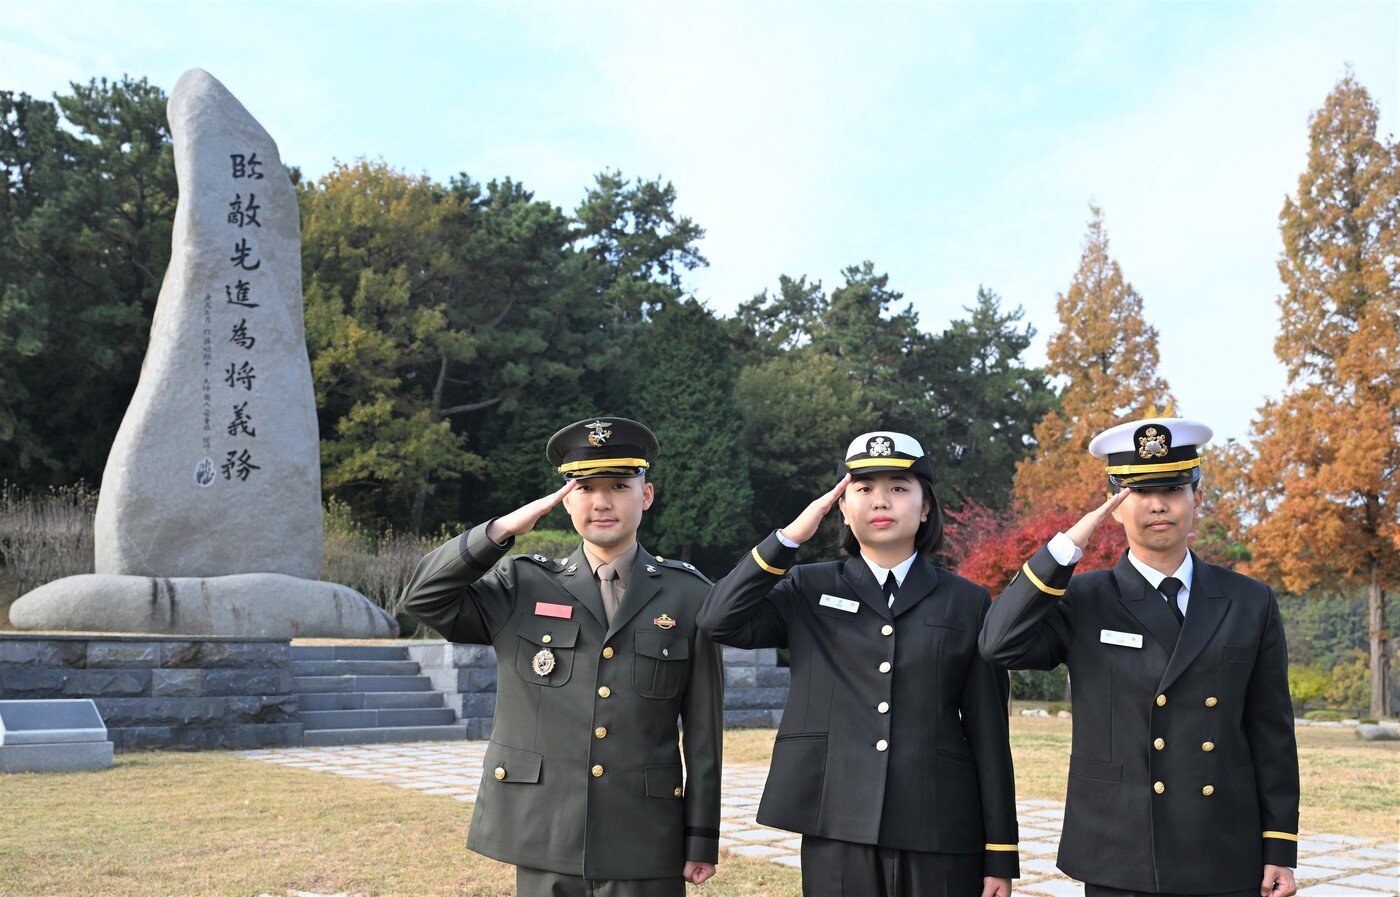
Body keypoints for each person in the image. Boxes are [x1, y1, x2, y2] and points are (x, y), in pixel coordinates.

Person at [401, 417, 722, 897]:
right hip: (544, 828)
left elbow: (703, 732)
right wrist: (503, 529)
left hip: (645, 833)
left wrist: (701, 836)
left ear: (647, 495)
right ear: (566, 499)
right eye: (586, 487)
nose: (602, 501)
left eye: (618, 485)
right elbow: (423, 600)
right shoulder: (522, 584)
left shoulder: (689, 594)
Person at [979, 417, 1300, 897]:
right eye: (1138, 491)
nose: (1157, 504)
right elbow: (998, 643)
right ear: (1114, 508)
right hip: (1120, 843)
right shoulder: (1085, 598)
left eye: (1172, 487)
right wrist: (1065, 548)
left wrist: (1279, 846)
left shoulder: (1249, 600)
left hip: (1222, 842)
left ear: (1196, 495)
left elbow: (1271, 728)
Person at [699, 431, 1019, 897]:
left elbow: (989, 732)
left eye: (898, 487)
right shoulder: (807, 587)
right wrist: (788, 539)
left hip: (939, 821)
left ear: (926, 507)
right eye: (863, 489)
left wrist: (1000, 851)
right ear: (842, 507)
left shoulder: (965, 601)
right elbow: (717, 620)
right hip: (835, 814)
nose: (880, 501)